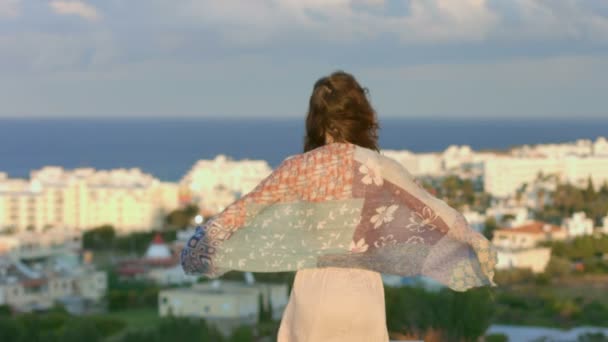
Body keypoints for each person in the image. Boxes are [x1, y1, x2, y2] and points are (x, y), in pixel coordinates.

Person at [276, 71, 389, 341]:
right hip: (363, 292)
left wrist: (204, 244)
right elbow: (433, 213)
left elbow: (245, 213)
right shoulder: (379, 168)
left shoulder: (296, 167)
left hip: (314, 289)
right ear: (361, 115)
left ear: (314, 119)